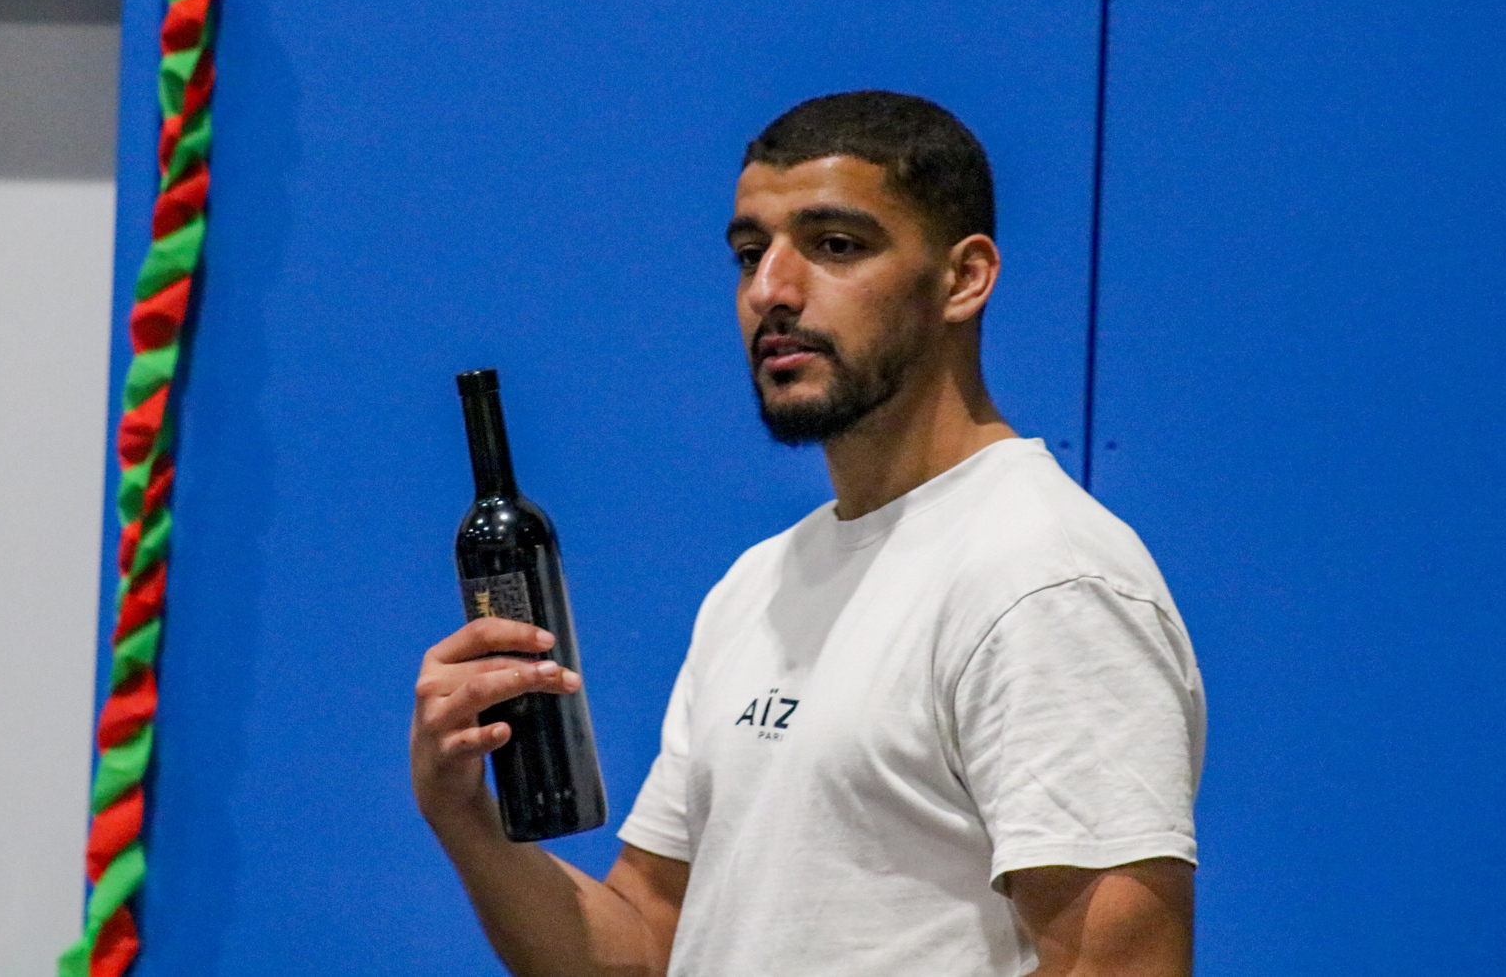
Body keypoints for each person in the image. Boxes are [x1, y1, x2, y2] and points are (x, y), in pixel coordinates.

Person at [411, 90, 1205, 977]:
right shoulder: (759, 583)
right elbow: (644, 949)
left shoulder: (1044, 581)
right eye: (752, 253)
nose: (771, 291)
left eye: (835, 245)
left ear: (963, 278)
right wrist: (464, 815)